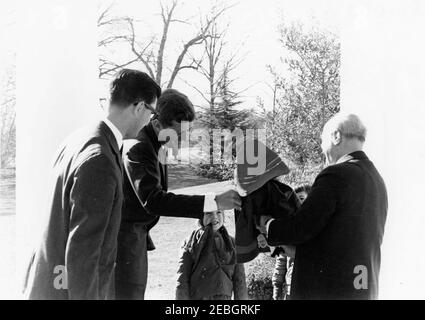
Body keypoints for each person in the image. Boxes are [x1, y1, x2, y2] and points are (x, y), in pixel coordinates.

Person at [22, 69, 161, 299]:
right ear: (139, 107)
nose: (150, 120)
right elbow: (83, 254)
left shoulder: (78, 139)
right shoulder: (100, 159)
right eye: (152, 112)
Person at [116, 88, 242, 300]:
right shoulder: (138, 147)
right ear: (157, 124)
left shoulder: (155, 143)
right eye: (178, 134)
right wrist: (213, 201)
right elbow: (153, 200)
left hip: (134, 238)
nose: (182, 141)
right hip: (123, 241)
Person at [261, 113, 388, 300]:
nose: (322, 148)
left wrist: (268, 225)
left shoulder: (336, 174)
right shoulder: (376, 179)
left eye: (322, 140)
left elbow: (302, 227)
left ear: (336, 136)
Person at [175, 210, 248, 300]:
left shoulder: (233, 244)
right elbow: (182, 279)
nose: (215, 217)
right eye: (208, 213)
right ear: (201, 217)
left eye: (219, 212)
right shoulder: (191, 243)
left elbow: (239, 280)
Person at [271, 184, 311, 300]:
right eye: (296, 200)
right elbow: (281, 261)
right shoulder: (289, 229)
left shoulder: (318, 227)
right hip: (291, 288)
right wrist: (277, 288)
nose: (299, 203)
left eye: (302, 199)